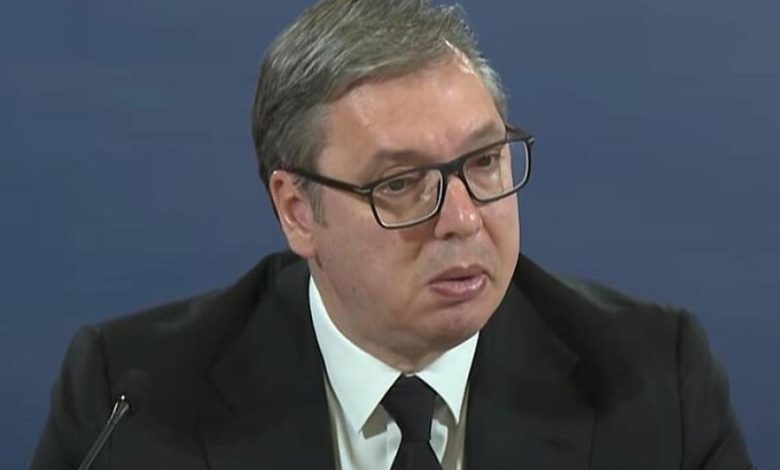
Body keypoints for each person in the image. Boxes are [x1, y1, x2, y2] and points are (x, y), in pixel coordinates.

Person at [31, 0, 754, 469]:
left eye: (484, 161)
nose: (463, 218)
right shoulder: (130, 402)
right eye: (402, 184)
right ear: (298, 211)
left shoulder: (654, 383)